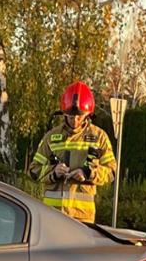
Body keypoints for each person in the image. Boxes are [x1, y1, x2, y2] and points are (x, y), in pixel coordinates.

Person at [28, 81, 115, 223]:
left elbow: (111, 172)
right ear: (63, 113)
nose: (75, 120)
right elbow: (33, 170)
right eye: (70, 116)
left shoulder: (99, 137)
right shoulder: (51, 137)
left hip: (82, 218)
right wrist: (54, 172)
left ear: (88, 114)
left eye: (79, 116)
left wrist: (88, 173)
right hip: (52, 216)